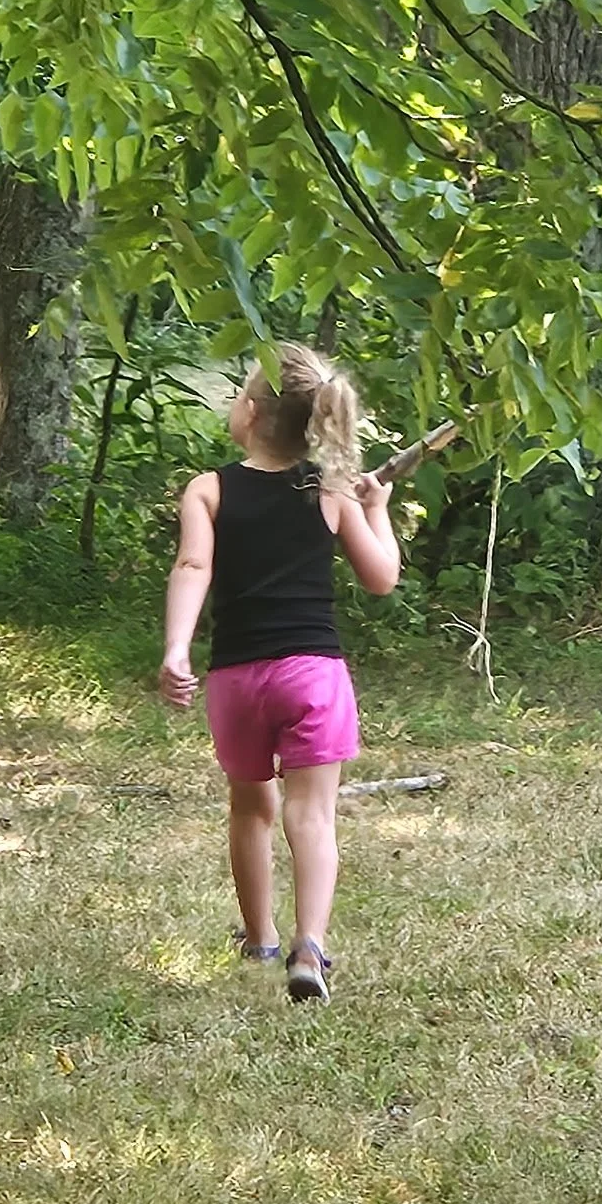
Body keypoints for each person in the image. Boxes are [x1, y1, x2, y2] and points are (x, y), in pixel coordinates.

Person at [159, 344, 400, 1002]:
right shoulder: (330, 491)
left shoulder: (207, 489)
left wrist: (177, 648)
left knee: (250, 808)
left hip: (237, 680)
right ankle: (309, 946)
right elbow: (381, 577)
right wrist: (375, 508)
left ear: (250, 412)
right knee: (312, 815)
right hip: (313, 674)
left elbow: (192, 569)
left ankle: (260, 935)